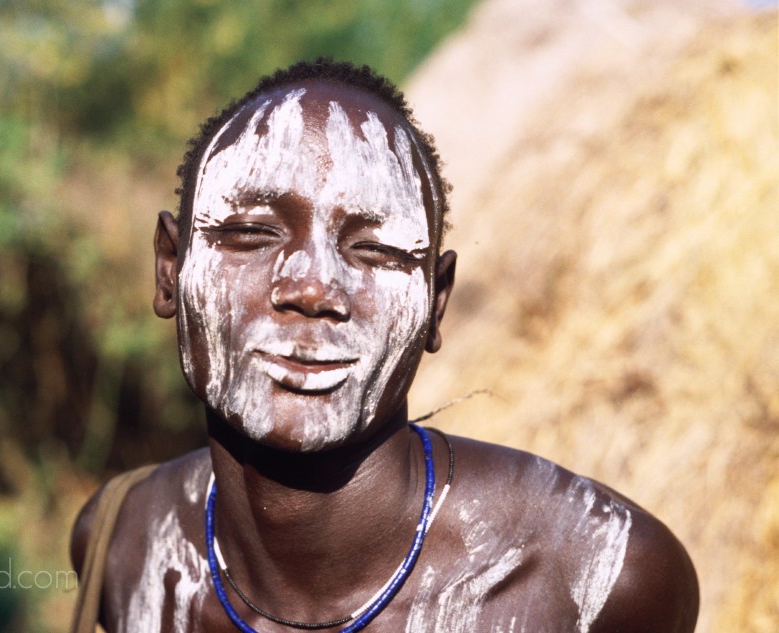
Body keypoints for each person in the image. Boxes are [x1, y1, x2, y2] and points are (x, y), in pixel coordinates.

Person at [71, 59, 699, 633]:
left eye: (374, 250)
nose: (313, 287)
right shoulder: (123, 548)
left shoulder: (596, 581)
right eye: (253, 233)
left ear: (435, 303)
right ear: (169, 271)